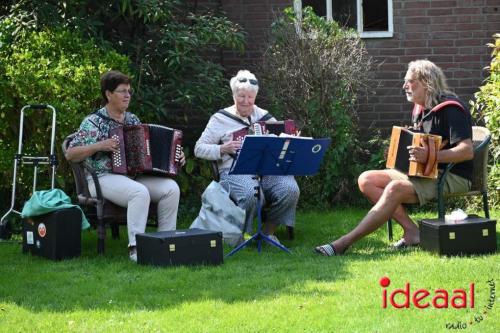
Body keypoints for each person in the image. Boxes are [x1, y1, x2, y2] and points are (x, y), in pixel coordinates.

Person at [315, 59, 474, 256]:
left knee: (394, 188)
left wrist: (431, 155)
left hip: (453, 175)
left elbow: (467, 151)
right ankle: (412, 231)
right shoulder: (420, 109)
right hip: (426, 172)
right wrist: (400, 152)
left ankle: (344, 243)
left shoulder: (451, 109)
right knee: (366, 179)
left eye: (409, 81)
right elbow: (422, 144)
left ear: (426, 82)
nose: (404, 86)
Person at [65, 70, 185, 262]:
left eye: (129, 91)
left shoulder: (132, 120)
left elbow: (147, 153)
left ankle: (165, 243)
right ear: (108, 94)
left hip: (133, 177)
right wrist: (100, 145)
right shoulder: (93, 122)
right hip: (102, 178)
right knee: (139, 192)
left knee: (171, 189)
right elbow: (70, 153)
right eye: (122, 91)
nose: (127, 95)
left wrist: (174, 156)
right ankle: (136, 249)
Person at [194, 69, 300, 244]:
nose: (246, 101)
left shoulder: (264, 116)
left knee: (290, 188)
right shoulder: (220, 119)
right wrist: (222, 148)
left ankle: (267, 233)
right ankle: (243, 236)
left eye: (250, 97)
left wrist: (291, 140)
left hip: (266, 171)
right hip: (234, 171)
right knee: (251, 193)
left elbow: (280, 141)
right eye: (241, 96)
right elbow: (199, 148)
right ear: (234, 95)